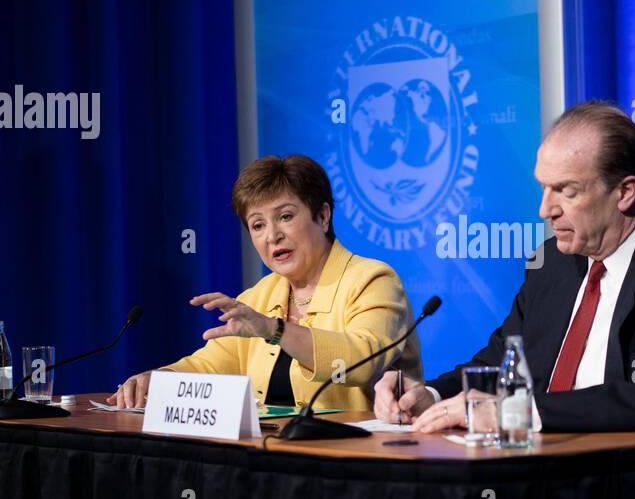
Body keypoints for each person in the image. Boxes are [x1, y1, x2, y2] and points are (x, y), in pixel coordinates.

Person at [374, 100, 635, 434]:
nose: (545, 210)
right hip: (547, 474)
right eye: (544, 188)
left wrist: (520, 412)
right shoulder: (551, 263)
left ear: (625, 192)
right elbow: (501, 361)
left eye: (567, 191)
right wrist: (432, 397)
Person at [111, 154, 421, 411]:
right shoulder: (259, 296)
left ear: (323, 216)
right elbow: (211, 365)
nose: (272, 235)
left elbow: (360, 360)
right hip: (273, 464)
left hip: (362, 465)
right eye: (257, 225)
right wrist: (159, 378)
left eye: (285, 216)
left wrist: (274, 330)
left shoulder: (372, 280)